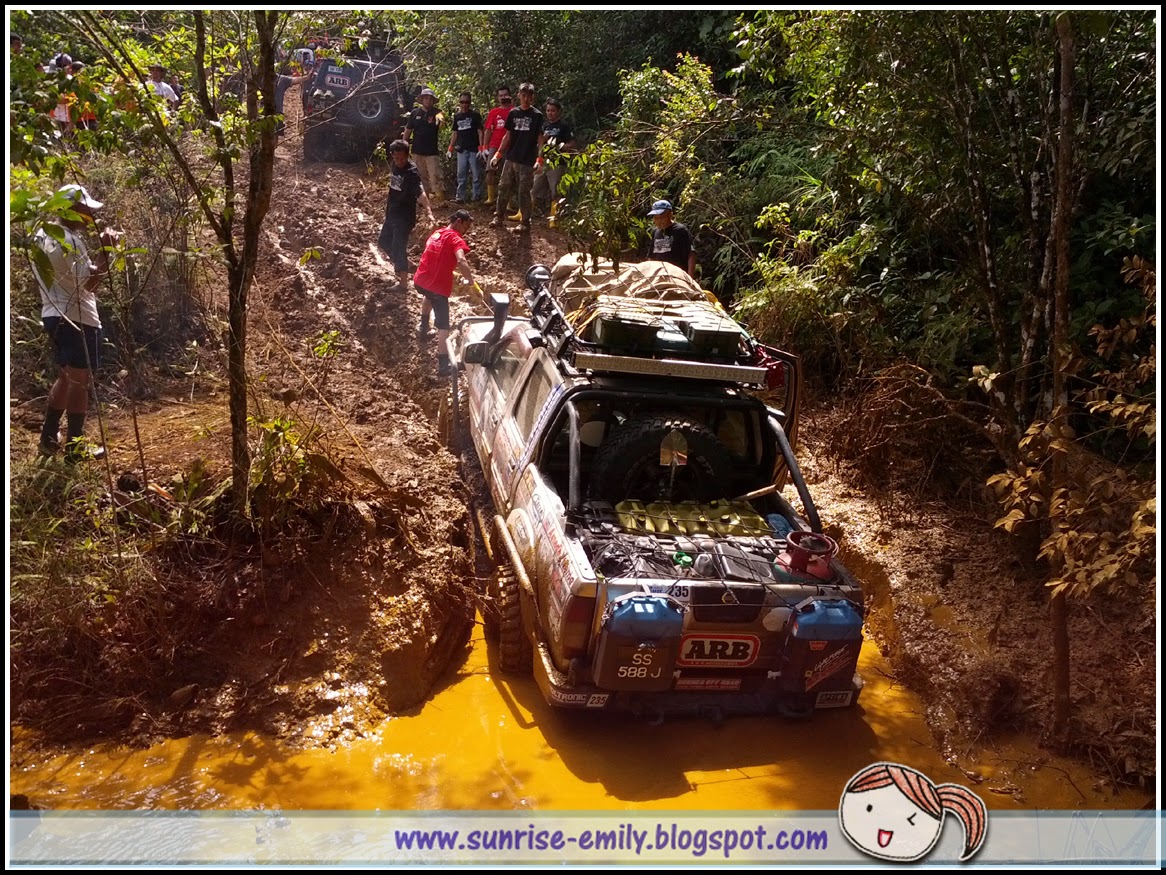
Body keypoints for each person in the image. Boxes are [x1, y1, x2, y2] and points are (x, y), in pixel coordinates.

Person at [33, 184, 113, 463]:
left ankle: (48, 437)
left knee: (66, 378)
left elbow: (70, 275)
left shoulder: (41, 236)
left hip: (52, 314)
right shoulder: (71, 240)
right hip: (77, 318)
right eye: (84, 210)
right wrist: (106, 253)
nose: (88, 215)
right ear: (71, 211)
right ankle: (75, 449)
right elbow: (89, 284)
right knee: (80, 382)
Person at [412, 210, 479, 376]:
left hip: (420, 280)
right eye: (465, 227)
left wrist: (449, 271)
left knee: (427, 296)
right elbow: (461, 260)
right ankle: (443, 366)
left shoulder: (437, 233)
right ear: (457, 221)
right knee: (444, 327)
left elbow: (435, 255)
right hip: (437, 287)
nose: (466, 231)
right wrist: (471, 282)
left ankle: (423, 328)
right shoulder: (456, 238)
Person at [377, 139, 437, 293]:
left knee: (398, 246)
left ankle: (403, 283)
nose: (399, 162)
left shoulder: (411, 172)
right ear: (392, 155)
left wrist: (429, 211)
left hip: (404, 217)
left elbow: (420, 192)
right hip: (392, 213)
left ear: (407, 155)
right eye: (396, 158)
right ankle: (404, 264)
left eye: (402, 158)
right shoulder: (395, 165)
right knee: (383, 242)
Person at [490, 82, 543, 232]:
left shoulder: (537, 115)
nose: (525, 98)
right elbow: (507, 135)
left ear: (532, 97)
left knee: (523, 191)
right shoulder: (513, 113)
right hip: (511, 157)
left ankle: (525, 222)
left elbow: (540, 139)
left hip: (527, 160)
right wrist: (498, 154)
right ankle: (498, 217)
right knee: (503, 187)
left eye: (529, 95)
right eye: (523, 95)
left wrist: (540, 159)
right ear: (518, 95)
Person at [531, 97, 577, 221]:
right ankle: (527, 214)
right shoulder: (544, 125)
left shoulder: (564, 126)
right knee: (534, 188)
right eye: (548, 110)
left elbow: (572, 144)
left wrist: (559, 147)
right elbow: (539, 143)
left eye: (553, 111)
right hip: (543, 161)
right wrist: (539, 157)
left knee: (555, 191)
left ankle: (554, 217)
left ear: (558, 112)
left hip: (558, 162)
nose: (550, 113)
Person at [404, 87, 444, 204]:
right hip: (417, 150)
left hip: (432, 151)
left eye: (430, 99)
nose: (428, 100)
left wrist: (441, 118)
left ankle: (440, 200)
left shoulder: (437, 112)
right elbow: (408, 130)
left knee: (435, 175)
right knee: (420, 177)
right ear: (421, 100)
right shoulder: (415, 113)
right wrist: (404, 146)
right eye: (425, 98)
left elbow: (442, 120)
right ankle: (424, 200)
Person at [445, 91, 484, 203]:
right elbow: (455, 133)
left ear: (470, 103)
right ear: (459, 103)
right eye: (462, 102)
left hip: (473, 148)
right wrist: (450, 148)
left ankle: (476, 197)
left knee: (476, 174)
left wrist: (481, 148)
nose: (464, 104)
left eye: (467, 102)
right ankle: (460, 197)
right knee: (461, 174)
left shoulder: (475, 115)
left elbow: (480, 131)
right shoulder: (457, 116)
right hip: (461, 149)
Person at [645, 199, 696, 276]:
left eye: (662, 217)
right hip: (659, 276)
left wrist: (690, 279)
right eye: (656, 218)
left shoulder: (680, 230)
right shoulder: (655, 232)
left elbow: (691, 254)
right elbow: (651, 257)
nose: (659, 221)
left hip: (677, 276)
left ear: (670, 215)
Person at [482, 85, 512, 206]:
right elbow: (488, 130)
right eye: (501, 96)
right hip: (495, 145)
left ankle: (508, 203)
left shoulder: (514, 111)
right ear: (498, 98)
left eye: (505, 95)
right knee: (490, 170)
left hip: (510, 146)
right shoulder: (494, 112)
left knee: (509, 175)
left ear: (510, 95)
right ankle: (491, 198)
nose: (503, 97)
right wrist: (484, 147)